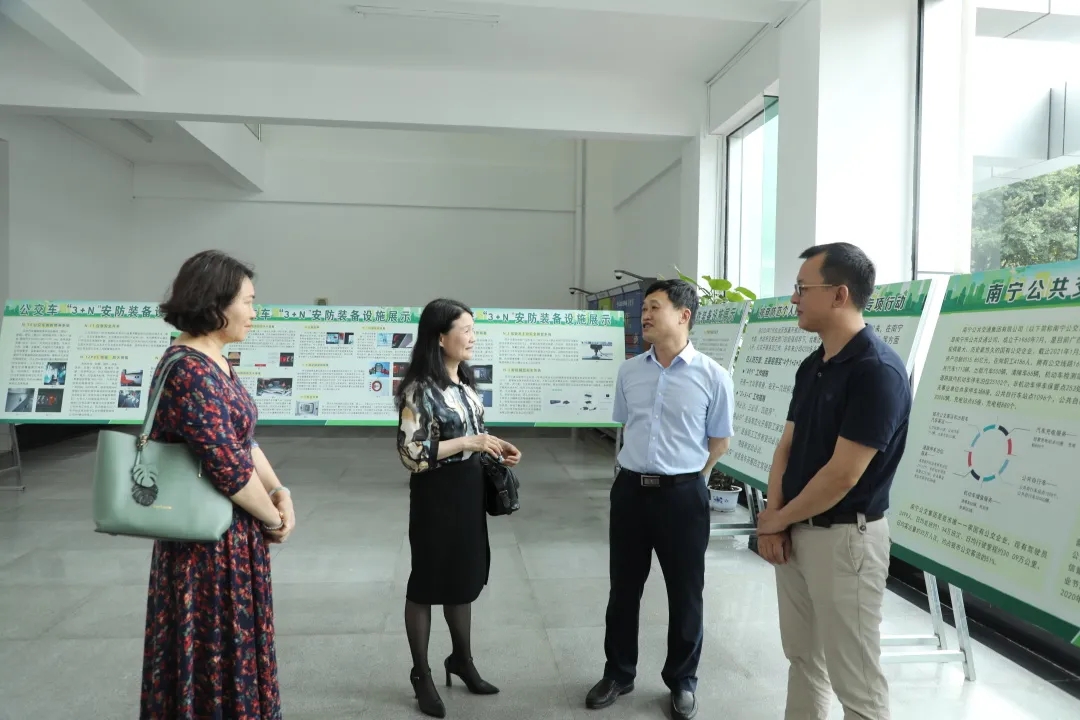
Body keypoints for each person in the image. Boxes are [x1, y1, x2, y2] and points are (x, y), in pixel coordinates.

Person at [756, 243, 911, 720]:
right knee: (803, 659)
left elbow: (843, 475)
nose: (794, 299)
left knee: (856, 681)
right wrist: (776, 519)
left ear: (840, 294)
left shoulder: (876, 371)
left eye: (802, 288)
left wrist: (777, 518)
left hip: (845, 540)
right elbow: (786, 447)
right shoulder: (814, 365)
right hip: (795, 530)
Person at [141, 250, 297, 719]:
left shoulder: (215, 362)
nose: (254, 313)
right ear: (215, 303)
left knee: (233, 652)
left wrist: (280, 492)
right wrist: (274, 520)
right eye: (248, 302)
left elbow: (245, 441)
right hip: (205, 550)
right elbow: (227, 466)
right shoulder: (189, 370)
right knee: (213, 654)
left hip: (232, 537)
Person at [586, 279, 735, 720]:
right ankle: (618, 672)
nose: (644, 315)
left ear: (684, 315)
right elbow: (625, 425)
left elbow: (720, 442)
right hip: (630, 492)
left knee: (686, 592)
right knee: (623, 588)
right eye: (645, 308)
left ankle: (682, 680)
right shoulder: (630, 371)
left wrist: (691, 480)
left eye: (654, 307)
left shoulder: (713, 376)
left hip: (683, 497)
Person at [395, 298, 522, 718]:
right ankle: (421, 674)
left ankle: (461, 661)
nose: (473, 337)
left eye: (473, 329)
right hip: (436, 494)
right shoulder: (419, 389)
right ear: (439, 337)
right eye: (465, 329)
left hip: (468, 490)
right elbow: (412, 453)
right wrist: (469, 442)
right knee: (428, 581)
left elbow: (474, 431)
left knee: (463, 576)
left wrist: (495, 445)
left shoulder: (464, 382)